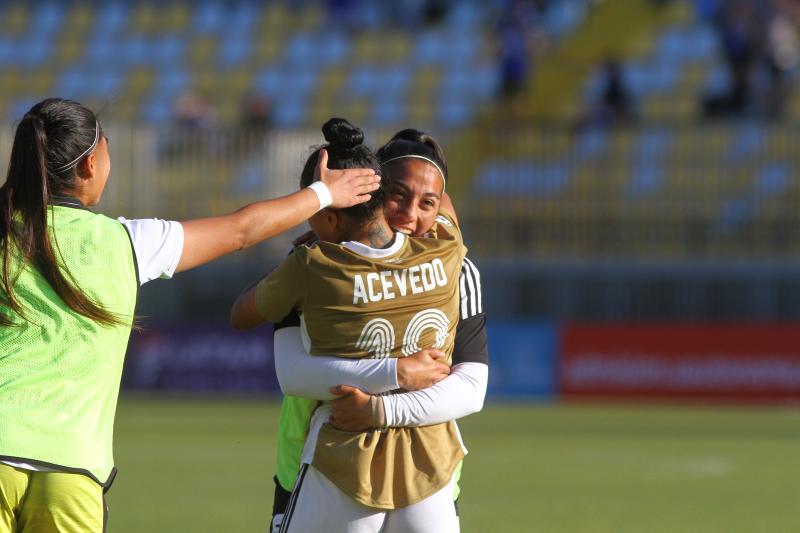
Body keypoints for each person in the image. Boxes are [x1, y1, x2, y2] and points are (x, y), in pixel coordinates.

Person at [0, 98, 379, 533]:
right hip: (71, 468)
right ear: (89, 165)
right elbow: (242, 230)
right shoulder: (127, 242)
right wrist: (324, 194)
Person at [231, 118, 469, 532]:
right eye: (398, 195)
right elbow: (442, 202)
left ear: (326, 214)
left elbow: (242, 315)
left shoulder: (311, 267)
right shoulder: (447, 250)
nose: (413, 214)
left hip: (339, 457)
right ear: (379, 193)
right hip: (430, 463)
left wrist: (311, 228)